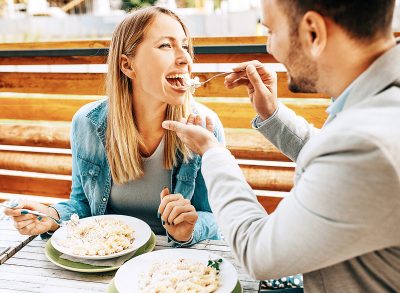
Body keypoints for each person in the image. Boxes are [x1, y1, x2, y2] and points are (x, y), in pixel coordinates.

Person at [162, 0, 400, 291]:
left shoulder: (367, 143)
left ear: (313, 32)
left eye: (271, 31)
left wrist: (212, 152)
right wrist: (272, 114)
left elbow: (256, 252)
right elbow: (335, 159)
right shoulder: (379, 106)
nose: (270, 47)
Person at [4, 6, 224, 246]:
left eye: (184, 45)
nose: (185, 58)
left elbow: (214, 216)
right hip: (106, 255)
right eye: (166, 45)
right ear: (127, 65)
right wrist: (50, 216)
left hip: (174, 264)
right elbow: (83, 205)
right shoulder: (87, 123)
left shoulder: (204, 127)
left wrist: (188, 231)